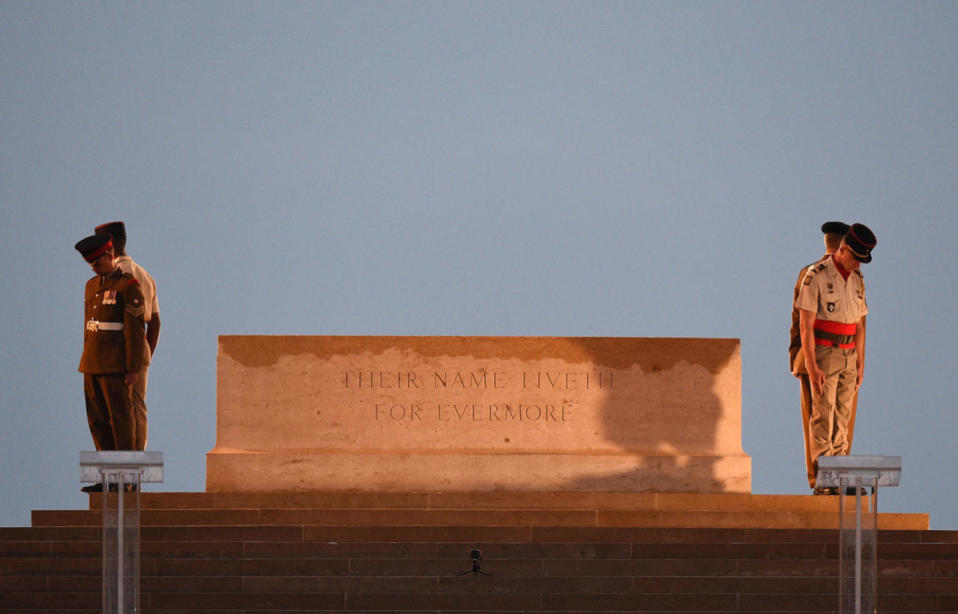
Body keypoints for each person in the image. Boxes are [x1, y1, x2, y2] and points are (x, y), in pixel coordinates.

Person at [794, 223, 876, 495]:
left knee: (843, 416)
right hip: (824, 351)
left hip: (849, 354)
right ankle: (825, 478)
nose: (858, 265)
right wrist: (811, 364)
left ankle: (842, 475)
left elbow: (860, 325)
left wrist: (861, 363)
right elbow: (805, 324)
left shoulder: (857, 279)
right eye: (855, 258)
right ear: (842, 248)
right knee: (823, 416)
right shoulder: (815, 275)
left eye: (861, 261)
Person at [74, 233, 151, 492]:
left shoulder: (128, 286)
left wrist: (133, 367)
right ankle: (108, 478)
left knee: (121, 422)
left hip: (116, 365)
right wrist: (86, 359)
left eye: (97, 262)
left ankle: (127, 478)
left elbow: (135, 330)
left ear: (109, 255)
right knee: (98, 423)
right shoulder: (90, 286)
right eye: (91, 264)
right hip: (92, 364)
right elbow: (88, 327)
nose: (94, 267)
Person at [95, 221, 160, 450]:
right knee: (136, 406)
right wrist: (145, 355)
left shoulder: (118, 275)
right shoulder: (145, 275)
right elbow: (155, 322)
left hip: (118, 349)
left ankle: (126, 466)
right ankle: (134, 461)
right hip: (139, 347)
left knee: (118, 410)